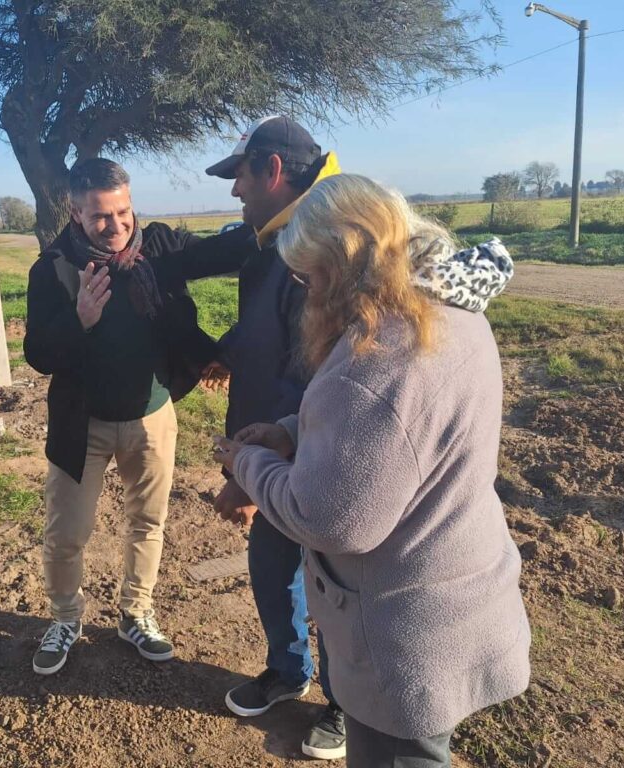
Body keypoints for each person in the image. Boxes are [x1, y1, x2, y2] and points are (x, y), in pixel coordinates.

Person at [212, 173, 529, 767]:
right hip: (461, 596)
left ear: (342, 265)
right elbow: (402, 424)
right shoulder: (449, 312)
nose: (306, 295)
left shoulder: (374, 360)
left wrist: (247, 462)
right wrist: (290, 430)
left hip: (403, 641)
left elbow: (328, 519)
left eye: (309, 278)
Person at [23, 158, 247, 676]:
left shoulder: (159, 249)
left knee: (148, 522)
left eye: (123, 211)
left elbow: (222, 251)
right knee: (66, 532)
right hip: (83, 425)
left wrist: (283, 219)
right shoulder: (53, 267)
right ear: (76, 213)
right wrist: (79, 320)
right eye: (102, 216)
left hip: (152, 417)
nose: (117, 225)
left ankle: (136, 613)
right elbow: (38, 354)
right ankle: (65, 618)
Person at [204, 115, 348, 760]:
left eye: (239, 177)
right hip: (275, 446)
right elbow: (268, 327)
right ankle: (290, 672)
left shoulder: (320, 245)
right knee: (272, 563)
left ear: (271, 169)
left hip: (322, 452)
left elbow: (314, 367)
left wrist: (253, 470)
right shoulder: (277, 239)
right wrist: (227, 353)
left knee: (336, 581)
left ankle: (348, 703)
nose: (235, 192)